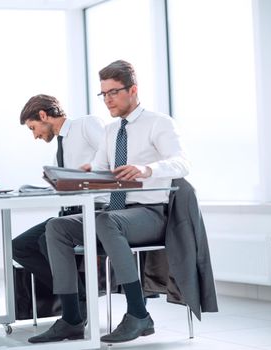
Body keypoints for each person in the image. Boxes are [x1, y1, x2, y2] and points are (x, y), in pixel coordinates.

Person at [28, 60, 190, 344]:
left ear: (133, 90)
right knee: (56, 227)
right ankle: (72, 319)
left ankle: (139, 314)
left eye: (113, 92)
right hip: (119, 215)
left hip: (152, 214)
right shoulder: (112, 131)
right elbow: (98, 169)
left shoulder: (158, 123)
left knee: (104, 220)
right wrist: (71, 176)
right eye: (103, 94)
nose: (107, 100)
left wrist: (147, 169)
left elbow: (181, 163)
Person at [12, 94, 105, 318]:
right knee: (18, 246)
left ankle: (75, 308)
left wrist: (87, 172)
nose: (35, 135)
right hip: (70, 213)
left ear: (43, 115)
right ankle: (80, 293)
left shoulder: (85, 125)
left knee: (48, 239)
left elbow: (112, 155)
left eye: (33, 127)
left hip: (97, 210)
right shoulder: (59, 151)